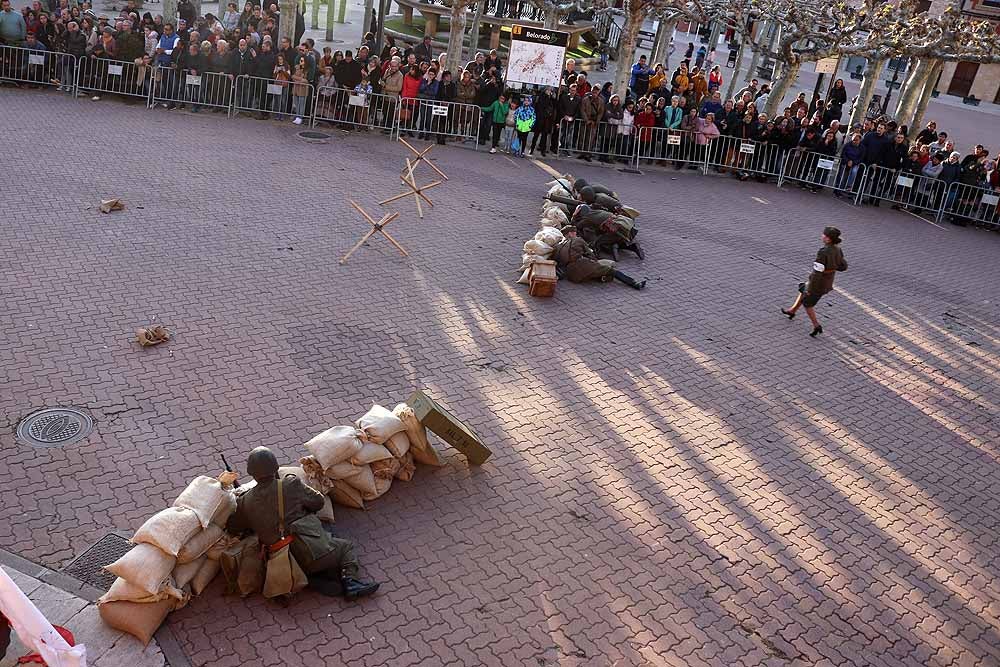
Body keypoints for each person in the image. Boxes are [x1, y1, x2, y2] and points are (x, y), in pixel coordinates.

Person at [225, 447, 380, 600]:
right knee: (346, 547)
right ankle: (350, 582)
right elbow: (318, 502)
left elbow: (233, 527)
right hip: (311, 553)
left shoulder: (244, 501)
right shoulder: (290, 484)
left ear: (251, 473)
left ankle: (310, 577)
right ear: (276, 467)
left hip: (283, 564)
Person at [781, 226, 848, 337]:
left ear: (828, 239)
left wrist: (811, 289)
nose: (822, 236)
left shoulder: (823, 252)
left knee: (808, 304)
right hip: (828, 281)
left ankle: (816, 325)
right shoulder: (838, 249)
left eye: (824, 235)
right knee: (803, 289)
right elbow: (843, 266)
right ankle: (792, 311)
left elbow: (817, 273)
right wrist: (832, 267)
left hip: (818, 284)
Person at [553, 225, 646, 290]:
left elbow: (557, 260)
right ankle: (635, 283)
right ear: (569, 234)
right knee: (611, 270)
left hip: (572, 276)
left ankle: (601, 277)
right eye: (573, 232)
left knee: (595, 271)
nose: (575, 234)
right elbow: (591, 254)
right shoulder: (578, 240)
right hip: (582, 266)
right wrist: (594, 262)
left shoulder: (558, 246)